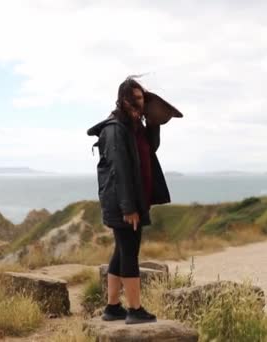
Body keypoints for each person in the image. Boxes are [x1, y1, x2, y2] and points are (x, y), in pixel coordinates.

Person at [86, 76, 171, 324]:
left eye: (141, 99)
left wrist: (154, 123)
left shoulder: (135, 128)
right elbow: (119, 170)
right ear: (122, 100)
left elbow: (150, 148)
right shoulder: (115, 129)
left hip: (132, 200)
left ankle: (113, 307)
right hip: (123, 203)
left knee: (121, 251)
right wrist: (129, 208)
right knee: (130, 252)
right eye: (134, 99)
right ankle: (135, 309)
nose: (138, 103)